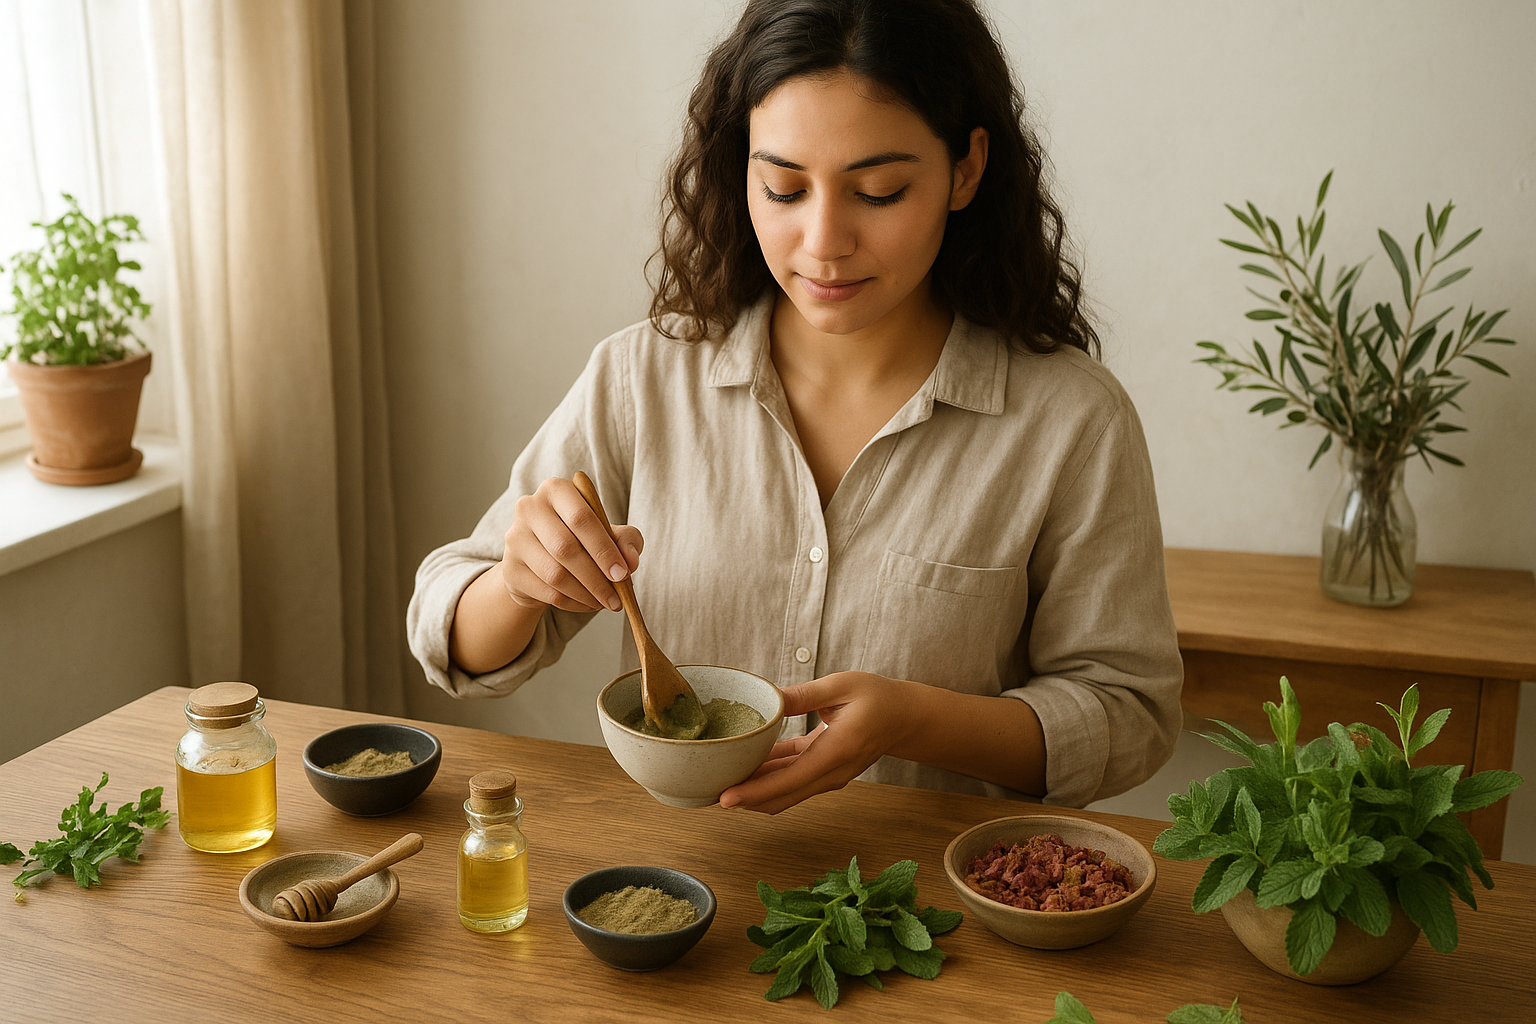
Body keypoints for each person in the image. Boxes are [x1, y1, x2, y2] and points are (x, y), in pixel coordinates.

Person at [407, 0, 1182, 814]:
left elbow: (1128, 716)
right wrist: (521, 585)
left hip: (925, 918)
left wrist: (915, 722)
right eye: (782, 187)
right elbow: (449, 628)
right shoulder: (646, 376)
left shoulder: (1071, 421)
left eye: (878, 192)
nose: (822, 240)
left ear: (966, 170)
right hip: (675, 900)